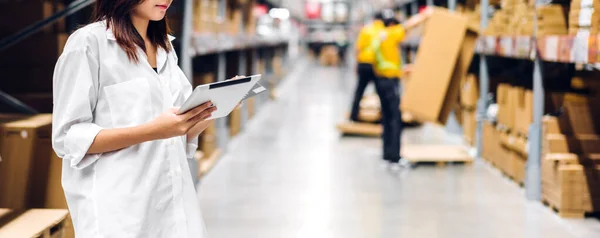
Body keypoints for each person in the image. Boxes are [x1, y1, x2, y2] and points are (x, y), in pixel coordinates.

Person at [51, 0, 225, 236]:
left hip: (170, 205)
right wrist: (154, 130)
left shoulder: (164, 48)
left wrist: (217, 105)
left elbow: (180, 128)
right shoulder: (89, 44)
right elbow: (67, 138)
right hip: (120, 213)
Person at [372, 17, 406, 169]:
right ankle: (395, 157)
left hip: (380, 80)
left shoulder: (378, 36)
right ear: (392, 25)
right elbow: (406, 27)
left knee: (386, 117)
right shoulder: (391, 34)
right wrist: (427, 14)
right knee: (395, 118)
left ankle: (386, 154)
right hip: (391, 81)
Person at [349, 13, 385, 122]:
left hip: (364, 63)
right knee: (380, 92)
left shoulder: (366, 30)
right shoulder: (384, 31)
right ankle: (382, 116)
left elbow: (358, 48)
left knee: (359, 90)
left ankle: (353, 115)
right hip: (377, 65)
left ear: (373, 19)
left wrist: (357, 64)